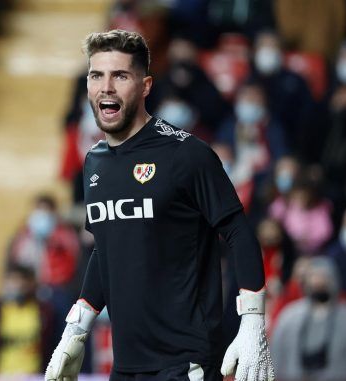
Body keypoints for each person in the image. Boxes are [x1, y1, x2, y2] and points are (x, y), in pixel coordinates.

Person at [45, 30, 273, 381]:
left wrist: (253, 321)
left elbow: (238, 231)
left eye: (120, 75)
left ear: (146, 85)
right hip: (126, 366)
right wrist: (76, 328)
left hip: (185, 363)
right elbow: (106, 249)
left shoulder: (187, 154)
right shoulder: (94, 163)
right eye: (96, 75)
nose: (106, 86)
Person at [270, 256, 346, 381]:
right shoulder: (289, 317)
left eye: (324, 277)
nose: (319, 282)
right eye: (314, 277)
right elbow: (276, 357)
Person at [0, 264, 56, 374]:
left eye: (20, 280)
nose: (16, 285)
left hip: (34, 376)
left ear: (30, 283)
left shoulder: (44, 312)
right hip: (2, 375)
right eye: (12, 280)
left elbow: (50, 346)